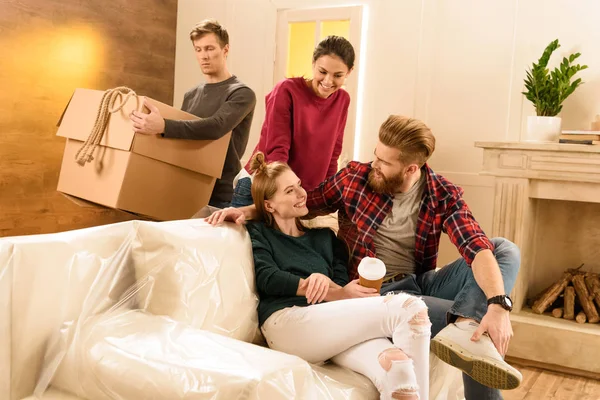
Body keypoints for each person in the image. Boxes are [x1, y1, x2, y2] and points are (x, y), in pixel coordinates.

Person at [207, 115, 523, 400]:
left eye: (384, 162)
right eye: (375, 155)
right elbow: (303, 201)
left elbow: (475, 246)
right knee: (481, 332)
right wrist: (249, 209)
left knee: (503, 248)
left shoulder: (442, 194)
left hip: (422, 283)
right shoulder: (355, 180)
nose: (374, 165)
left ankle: (467, 325)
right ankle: (470, 328)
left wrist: (498, 303)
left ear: (411, 169)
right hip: (375, 290)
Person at [239, 152, 431, 400]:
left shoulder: (325, 239)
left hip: (326, 327)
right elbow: (268, 277)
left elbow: (340, 287)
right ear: (268, 205)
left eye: (299, 185)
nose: (301, 193)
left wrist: (335, 288)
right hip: (286, 323)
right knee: (410, 308)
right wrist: (319, 287)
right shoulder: (260, 233)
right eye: (289, 191)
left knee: (397, 367)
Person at [130, 19, 256, 208]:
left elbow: (215, 126)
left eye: (209, 48)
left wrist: (164, 125)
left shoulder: (241, 93)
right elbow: (184, 137)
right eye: (198, 49)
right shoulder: (191, 95)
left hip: (223, 195)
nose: (204, 56)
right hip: (188, 186)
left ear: (225, 50)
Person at [230, 35, 355, 208]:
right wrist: (286, 195)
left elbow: (333, 152)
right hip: (264, 187)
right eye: (322, 72)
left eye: (338, 75)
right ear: (313, 64)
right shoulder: (286, 90)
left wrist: (326, 194)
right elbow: (277, 151)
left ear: (349, 71)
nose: (328, 81)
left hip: (298, 194)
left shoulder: (342, 100)